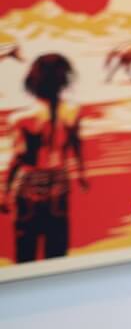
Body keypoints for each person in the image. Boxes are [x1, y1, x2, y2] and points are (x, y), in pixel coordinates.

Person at [2, 54, 89, 263]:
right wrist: (81, 176)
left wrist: (4, 192)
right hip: (59, 181)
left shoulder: (21, 119)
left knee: (25, 250)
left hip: (29, 184)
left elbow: (18, 157)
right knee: (57, 250)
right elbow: (76, 147)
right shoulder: (72, 112)